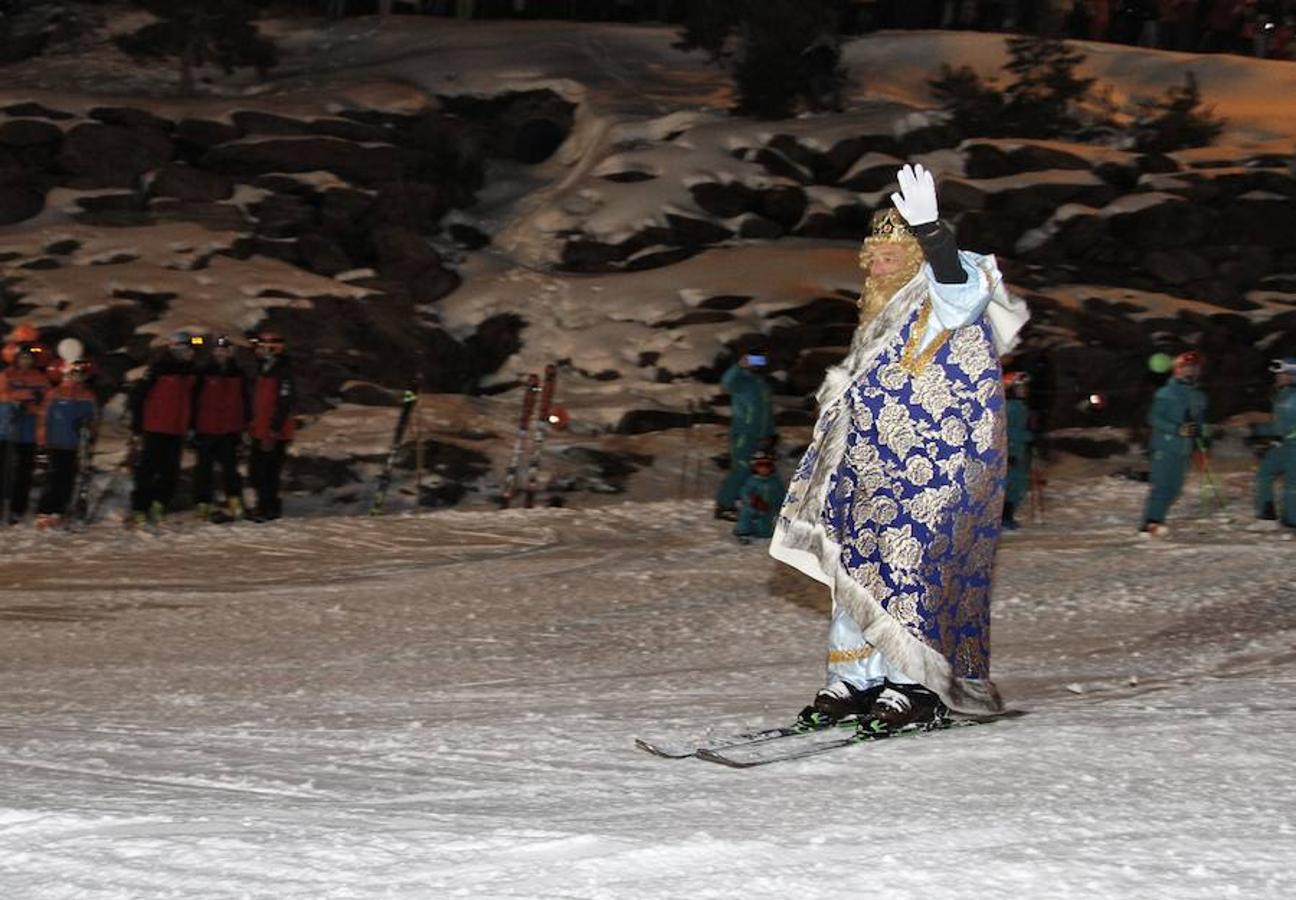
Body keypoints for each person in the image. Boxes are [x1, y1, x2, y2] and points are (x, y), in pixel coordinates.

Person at [772, 164, 1028, 731]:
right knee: (855, 573)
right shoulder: (880, 320)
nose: (879, 266)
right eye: (874, 258)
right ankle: (856, 682)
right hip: (872, 468)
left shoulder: (940, 297)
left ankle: (913, 685)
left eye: (891, 256)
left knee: (910, 571)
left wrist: (935, 235)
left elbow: (961, 299)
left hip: (935, 472)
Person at [130, 332, 198, 526]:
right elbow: (138, 398)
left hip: (176, 430)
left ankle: (158, 505)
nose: (187, 353)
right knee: (148, 471)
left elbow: (190, 404)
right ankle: (140, 509)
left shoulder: (189, 373)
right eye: (184, 349)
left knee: (170, 473)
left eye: (189, 349)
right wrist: (137, 426)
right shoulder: (158, 370)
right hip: (155, 428)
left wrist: (190, 427)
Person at [1140, 350, 1207, 537]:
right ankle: (1150, 523)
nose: (1190, 371)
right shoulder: (1166, 393)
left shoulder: (1199, 396)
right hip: (1166, 447)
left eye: (1194, 368)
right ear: (1177, 370)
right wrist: (1176, 429)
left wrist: (1201, 438)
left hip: (1184, 449)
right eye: (1186, 367)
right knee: (1162, 486)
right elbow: (1154, 418)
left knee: (1175, 488)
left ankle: (1157, 519)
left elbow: (1200, 422)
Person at [192, 335, 250, 522]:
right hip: (206, 429)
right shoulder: (203, 373)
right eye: (217, 351)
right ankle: (203, 506)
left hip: (229, 430)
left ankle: (235, 503)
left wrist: (245, 426)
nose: (221, 354)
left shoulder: (238, 374)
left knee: (230, 470)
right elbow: (193, 402)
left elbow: (246, 402)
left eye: (224, 351)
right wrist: (192, 427)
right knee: (204, 471)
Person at [35, 359, 97, 529]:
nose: (78, 378)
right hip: (56, 442)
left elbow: (93, 420)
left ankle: (60, 511)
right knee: (54, 478)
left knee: (68, 479)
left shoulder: (88, 395)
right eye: (74, 374)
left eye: (81, 375)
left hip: (74, 444)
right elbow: (43, 417)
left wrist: (90, 435)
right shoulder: (55, 393)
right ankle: (45, 511)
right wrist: (42, 440)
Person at [714, 351, 775, 520]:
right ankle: (724, 505)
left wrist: (770, 433)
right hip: (743, 433)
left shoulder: (763, 385)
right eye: (753, 360)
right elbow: (726, 383)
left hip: (760, 436)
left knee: (754, 471)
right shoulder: (741, 381)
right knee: (740, 469)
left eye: (760, 360)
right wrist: (739, 366)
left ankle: (744, 502)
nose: (757, 363)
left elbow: (766, 412)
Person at [0, 343, 52, 524]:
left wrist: (33, 403)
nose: (25, 361)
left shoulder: (40, 378)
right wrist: (24, 396)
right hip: (6, 429)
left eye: (28, 358)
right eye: (22, 357)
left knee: (23, 472)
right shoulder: (6, 374)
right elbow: (3, 394)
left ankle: (17, 509)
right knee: (3, 470)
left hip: (28, 431)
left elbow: (46, 402)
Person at [248, 331, 296, 522]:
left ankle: (268, 508)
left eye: (262, 346)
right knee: (257, 471)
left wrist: (273, 430)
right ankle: (265, 506)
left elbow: (285, 402)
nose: (258, 350)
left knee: (268, 472)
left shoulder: (283, 370)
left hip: (276, 432)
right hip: (261, 430)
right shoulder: (264, 368)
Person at [1252, 357, 1296, 526]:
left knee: (1292, 484)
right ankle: (1267, 513)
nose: (1277, 377)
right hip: (1282, 445)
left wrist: (1289, 434)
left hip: (1293, 447)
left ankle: (1292, 519)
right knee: (1264, 473)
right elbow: (1278, 421)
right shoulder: (1282, 396)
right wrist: (1259, 433)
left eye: (1281, 374)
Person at [1002, 370, 1035, 530]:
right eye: (1020, 388)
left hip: (1020, 451)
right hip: (1013, 451)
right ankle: (1004, 517)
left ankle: (1008, 516)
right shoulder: (1010, 408)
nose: (1024, 391)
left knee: (1019, 484)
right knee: (1011, 485)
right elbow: (1008, 432)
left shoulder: (1021, 407)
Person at [734, 449, 786, 544]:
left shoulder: (775, 482)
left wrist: (778, 508)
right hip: (755, 508)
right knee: (746, 513)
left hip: (770, 510)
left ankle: (768, 532)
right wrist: (752, 501)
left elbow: (781, 496)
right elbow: (744, 493)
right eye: (760, 466)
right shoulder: (752, 481)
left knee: (765, 529)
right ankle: (744, 533)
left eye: (767, 466)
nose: (764, 469)